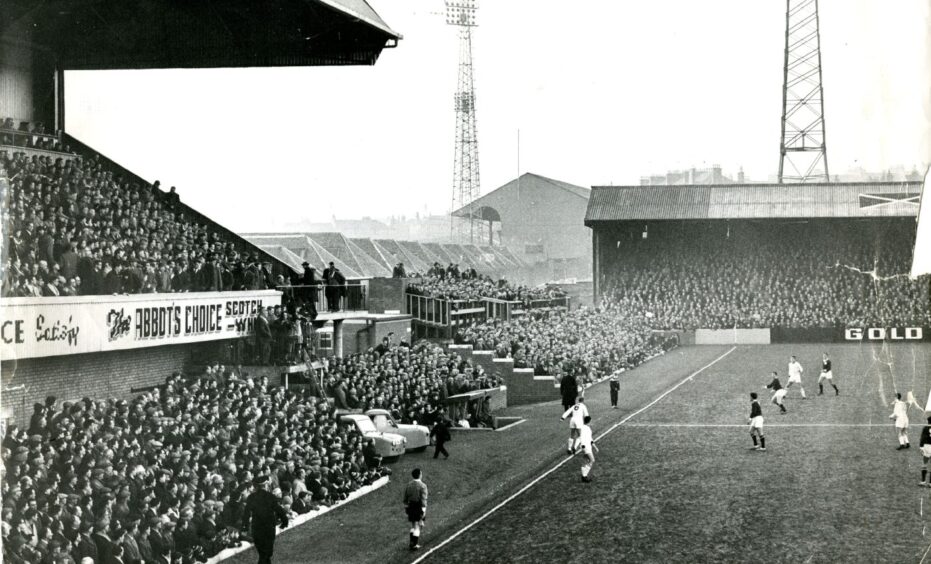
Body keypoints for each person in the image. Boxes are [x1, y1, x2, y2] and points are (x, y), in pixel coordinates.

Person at [242, 475, 289, 564]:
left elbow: (246, 514)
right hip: (268, 528)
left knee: (263, 553)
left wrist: (245, 528)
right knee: (266, 554)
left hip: (256, 528)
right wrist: (285, 521)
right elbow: (279, 510)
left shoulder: (251, 497)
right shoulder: (270, 496)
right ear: (266, 485)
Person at [403, 468, 429, 551]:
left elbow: (405, 499)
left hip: (411, 506)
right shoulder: (423, 486)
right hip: (418, 506)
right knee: (418, 525)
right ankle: (414, 544)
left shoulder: (409, 484)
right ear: (420, 475)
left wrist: (407, 506)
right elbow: (424, 500)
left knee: (414, 524)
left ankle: (412, 542)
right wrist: (423, 511)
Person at [575, 415, 599, 482]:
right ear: (589, 421)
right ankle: (584, 475)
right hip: (586, 447)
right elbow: (581, 437)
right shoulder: (585, 428)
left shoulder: (587, 428)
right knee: (592, 460)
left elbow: (590, 439)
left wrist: (595, 447)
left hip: (588, 446)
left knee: (586, 460)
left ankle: (584, 476)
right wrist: (583, 446)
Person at [920, 417, 931, 487]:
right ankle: (930, 483)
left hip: (927, 447)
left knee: (925, 464)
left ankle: (923, 481)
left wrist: (921, 447)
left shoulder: (925, 428)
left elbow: (922, 438)